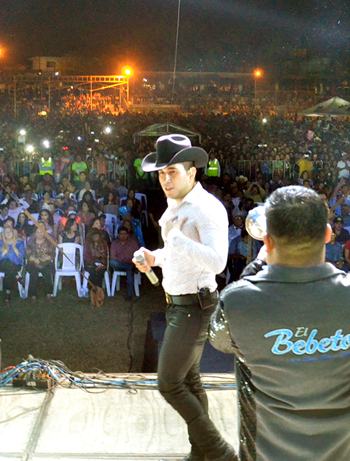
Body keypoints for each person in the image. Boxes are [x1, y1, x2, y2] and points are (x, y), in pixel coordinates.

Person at [209, 186, 350, 461]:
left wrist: (255, 267)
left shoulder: (238, 301)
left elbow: (219, 339)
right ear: (328, 234)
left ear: (267, 240)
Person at [133, 134, 234, 461]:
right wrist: (155, 257)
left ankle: (219, 452)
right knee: (190, 383)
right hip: (179, 304)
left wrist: (178, 242)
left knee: (169, 384)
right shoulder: (177, 203)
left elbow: (217, 262)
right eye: (162, 173)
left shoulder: (207, 209)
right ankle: (200, 453)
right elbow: (177, 253)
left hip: (195, 307)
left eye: (172, 172)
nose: (165, 179)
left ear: (192, 172)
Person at [0, 225, 26, 302]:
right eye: (6, 232)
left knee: (9, 267)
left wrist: (14, 248)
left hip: (16, 264)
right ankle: (17, 277)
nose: (8, 234)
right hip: (1, 264)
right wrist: (4, 252)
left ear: (13, 233)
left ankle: (7, 293)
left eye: (10, 232)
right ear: (3, 234)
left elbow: (21, 256)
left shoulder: (19, 242)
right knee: (8, 263)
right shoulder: (0, 243)